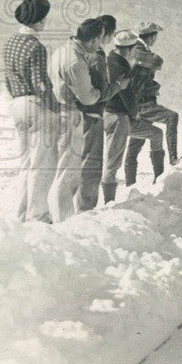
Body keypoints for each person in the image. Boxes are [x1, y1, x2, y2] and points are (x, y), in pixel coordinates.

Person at [47, 18, 124, 222]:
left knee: (66, 168)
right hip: (80, 115)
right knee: (81, 168)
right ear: (93, 40)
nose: (101, 45)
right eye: (100, 40)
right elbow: (88, 97)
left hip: (63, 114)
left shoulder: (62, 52)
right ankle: (77, 215)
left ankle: (62, 215)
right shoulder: (76, 60)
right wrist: (110, 88)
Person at [4, 0, 59, 223]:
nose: (45, 22)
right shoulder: (35, 46)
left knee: (26, 163)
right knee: (43, 164)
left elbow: (7, 80)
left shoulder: (11, 42)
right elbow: (40, 83)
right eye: (43, 18)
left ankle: (22, 214)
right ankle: (38, 215)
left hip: (17, 104)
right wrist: (55, 107)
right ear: (37, 19)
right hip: (36, 106)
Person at [101, 30, 164, 194]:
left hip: (118, 116)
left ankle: (160, 179)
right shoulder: (120, 65)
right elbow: (127, 95)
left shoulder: (112, 59)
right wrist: (135, 114)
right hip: (118, 117)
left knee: (156, 134)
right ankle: (109, 202)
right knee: (113, 161)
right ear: (130, 49)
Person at [127, 22, 180, 167]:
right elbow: (157, 61)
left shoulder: (135, 48)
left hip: (138, 102)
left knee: (134, 148)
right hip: (141, 103)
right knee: (172, 117)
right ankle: (173, 159)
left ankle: (133, 183)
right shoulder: (138, 49)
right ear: (152, 37)